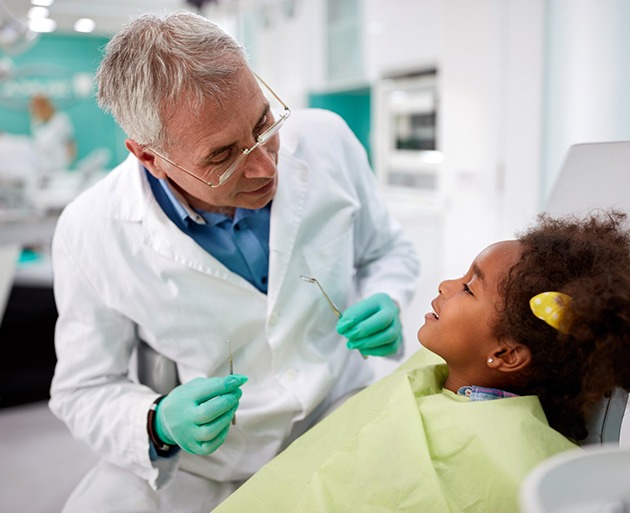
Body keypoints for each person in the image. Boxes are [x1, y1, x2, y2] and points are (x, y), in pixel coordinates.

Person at [48, 10, 419, 513]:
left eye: (264, 122)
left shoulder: (328, 140)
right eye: (223, 155)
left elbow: (388, 251)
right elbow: (83, 389)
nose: (266, 166)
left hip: (342, 415)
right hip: (211, 465)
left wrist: (388, 297)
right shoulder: (91, 230)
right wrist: (156, 422)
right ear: (150, 157)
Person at [212, 210, 630, 513]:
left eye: (469, 288)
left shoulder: (517, 456)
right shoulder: (431, 369)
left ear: (505, 354)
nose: (446, 284)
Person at [30, 93, 76, 174]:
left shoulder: (60, 119)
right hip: (43, 168)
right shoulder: (36, 123)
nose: (37, 109)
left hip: (60, 167)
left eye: (40, 105)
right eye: (35, 106)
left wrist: (69, 162)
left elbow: (70, 142)